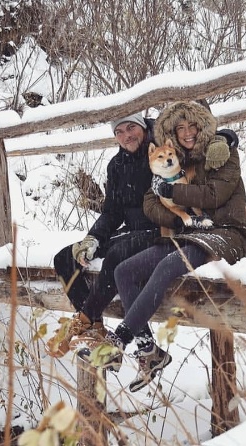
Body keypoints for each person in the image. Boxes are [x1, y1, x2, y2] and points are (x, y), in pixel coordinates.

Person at [78, 101, 246, 393]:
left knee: (167, 266)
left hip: (225, 231)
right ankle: (149, 352)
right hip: (188, 230)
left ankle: (117, 341)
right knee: (124, 270)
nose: (187, 132)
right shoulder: (175, 157)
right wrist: (172, 212)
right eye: (180, 127)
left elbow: (215, 194)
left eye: (193, 126)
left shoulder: (222, 152)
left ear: (204, 126)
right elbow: (150, 201)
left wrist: (172, 191)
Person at [46, 112, 160, 357]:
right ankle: (95, 328)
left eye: (131, 128)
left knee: (117, 254)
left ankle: (84, 319)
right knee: (65, 258)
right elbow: (112, 212)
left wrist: (226, 138)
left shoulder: (161, 148)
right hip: (130, 231)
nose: (126, 136)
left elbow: (195, 139)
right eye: (119, 132)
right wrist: (93, 239)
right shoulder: (116, 165)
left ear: (142, 126)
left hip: (159, 229)